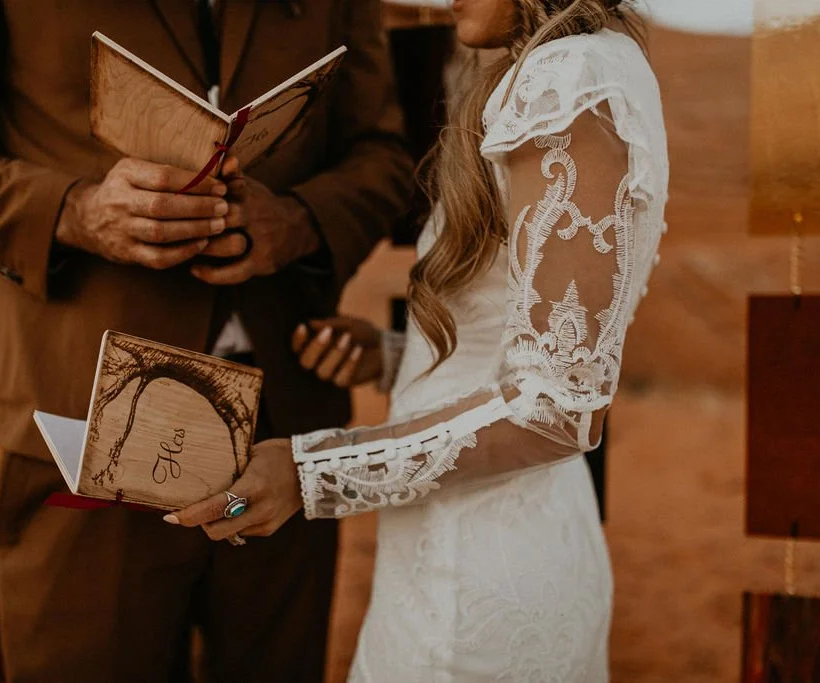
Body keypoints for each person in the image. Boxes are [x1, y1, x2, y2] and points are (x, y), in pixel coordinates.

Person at [0, 1, 412, 681]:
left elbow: (383, 154)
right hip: (85, 434)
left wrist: (298, 223)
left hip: (284, 436)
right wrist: (75, 212)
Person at [172, 0, 669, 680]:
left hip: (479, 581)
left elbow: (557, 405)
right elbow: (527, 348)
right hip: (487, 543)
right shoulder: (608, 65)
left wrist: (313, 471)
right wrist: (393, 356)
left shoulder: (568, 82)